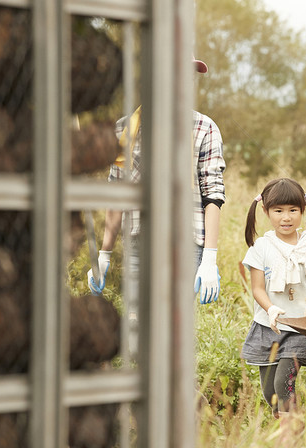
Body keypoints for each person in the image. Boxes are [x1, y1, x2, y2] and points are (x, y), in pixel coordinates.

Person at [88, 57, 226, 305]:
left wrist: (209, 258)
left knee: (175, 326)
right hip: (139, 242)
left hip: (187, 242)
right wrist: (104, 255)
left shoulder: (205, 128)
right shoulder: (125, 130)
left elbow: (213, 195)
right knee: (138, 320)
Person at [240, 178, 306, 417]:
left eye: (293, 210)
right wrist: (271, 308)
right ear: (265, 211)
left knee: (284, 382)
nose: (286, 217)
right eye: (278, 211)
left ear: (303, 210)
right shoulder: (261, 247)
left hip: (301, 327)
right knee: (269, 391)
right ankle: (288, 425)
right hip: (269, 325)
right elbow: (258, 288)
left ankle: (291, 435)